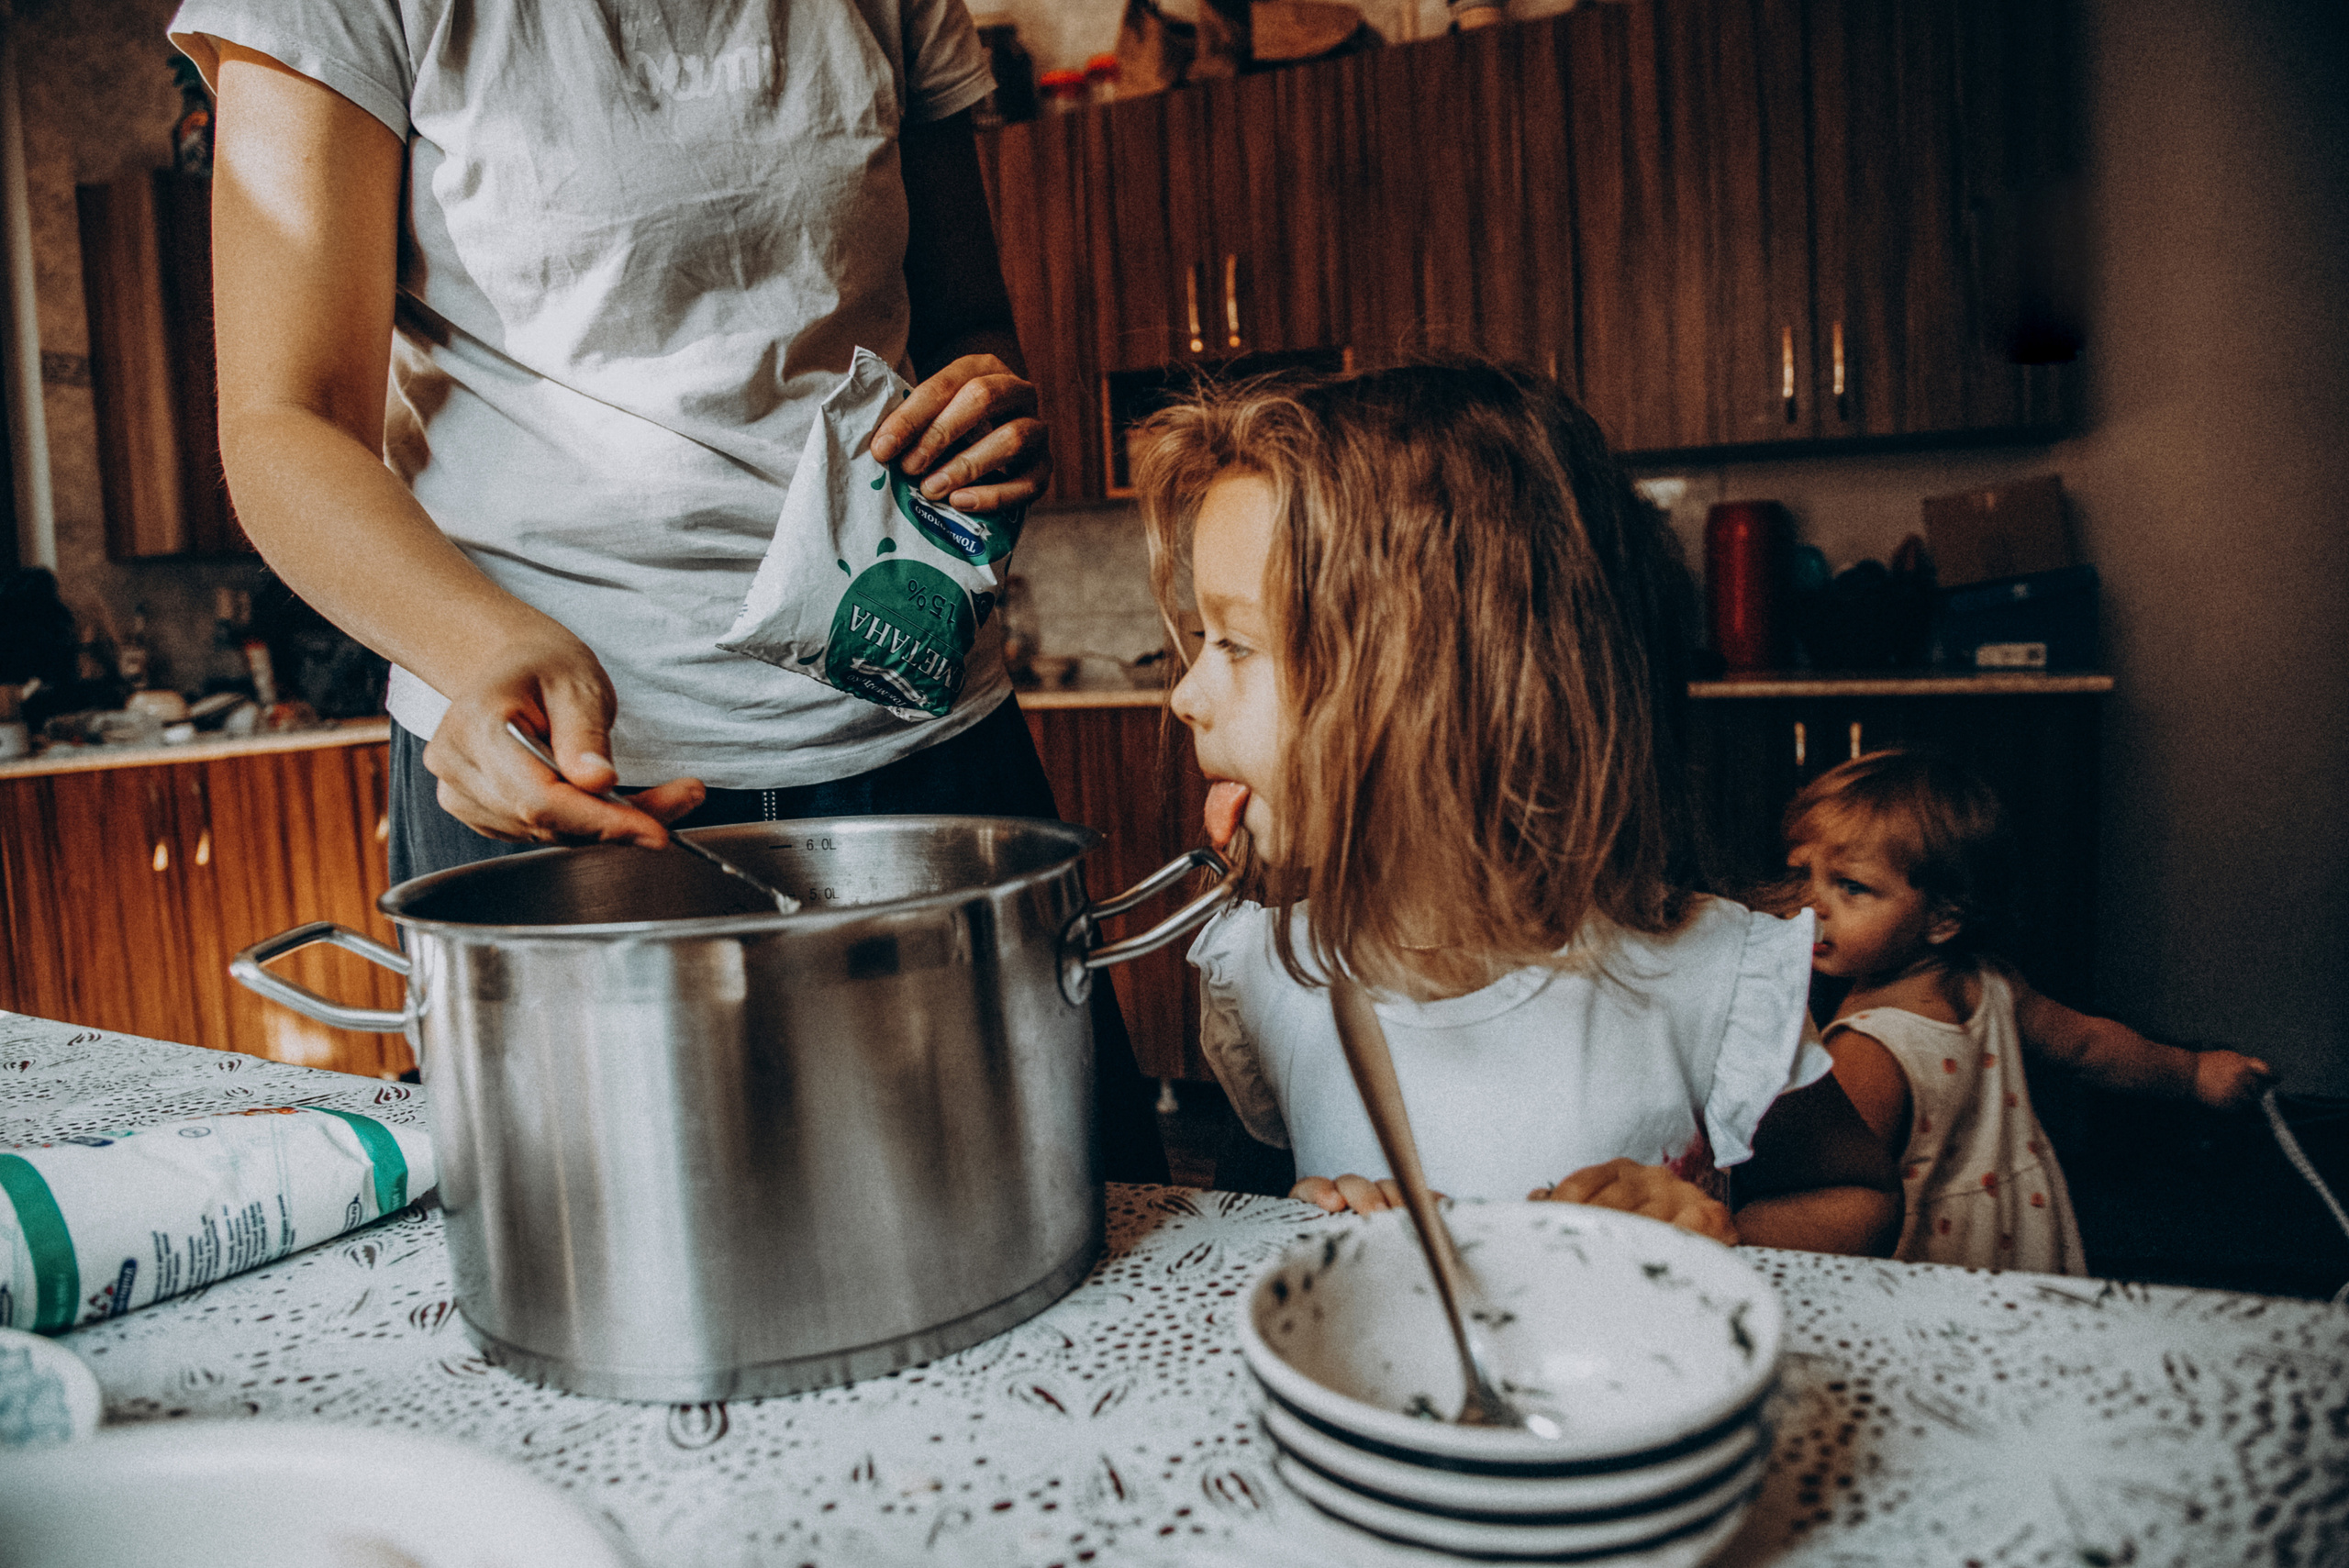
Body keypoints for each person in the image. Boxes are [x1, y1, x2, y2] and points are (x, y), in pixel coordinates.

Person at [173, 0, 1164, 1178]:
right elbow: (284, 424)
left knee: (1054, 1225)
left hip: (926, 738)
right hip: (572, 792)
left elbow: (967, 329)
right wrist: (477, 650)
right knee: (626, 1280)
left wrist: (989, 410)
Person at [1135, 361, 1902, 1252]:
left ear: (1448, 687)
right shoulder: (1271, 976)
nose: (1185, 695)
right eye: (1197, 641)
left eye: (1235, 642)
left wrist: (1709, 1225)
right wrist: (1306, 1220)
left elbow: (1860, 1197)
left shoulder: (1706, 979)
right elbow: (1256, 1219)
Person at [1782, 750, 2275, 1273]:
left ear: (1944, 918)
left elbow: (1829, 1190)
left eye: (1850, 886)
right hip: (2015, 1231)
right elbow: (2089, 1045)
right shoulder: (1991, 985)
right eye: (1802, 875)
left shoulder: (1866, 1048)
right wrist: (2193, 1072)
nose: (1812, 905)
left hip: (1929, 1259)